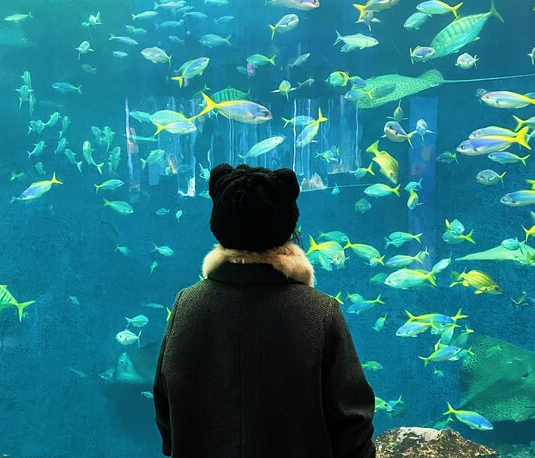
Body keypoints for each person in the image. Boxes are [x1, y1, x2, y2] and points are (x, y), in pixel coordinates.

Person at [153, 163, 376, 458]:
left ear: (219, 228)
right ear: (287, 229)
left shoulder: (186, 306)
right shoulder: (320, 313)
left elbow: (165, 407)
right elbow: (352, 423)